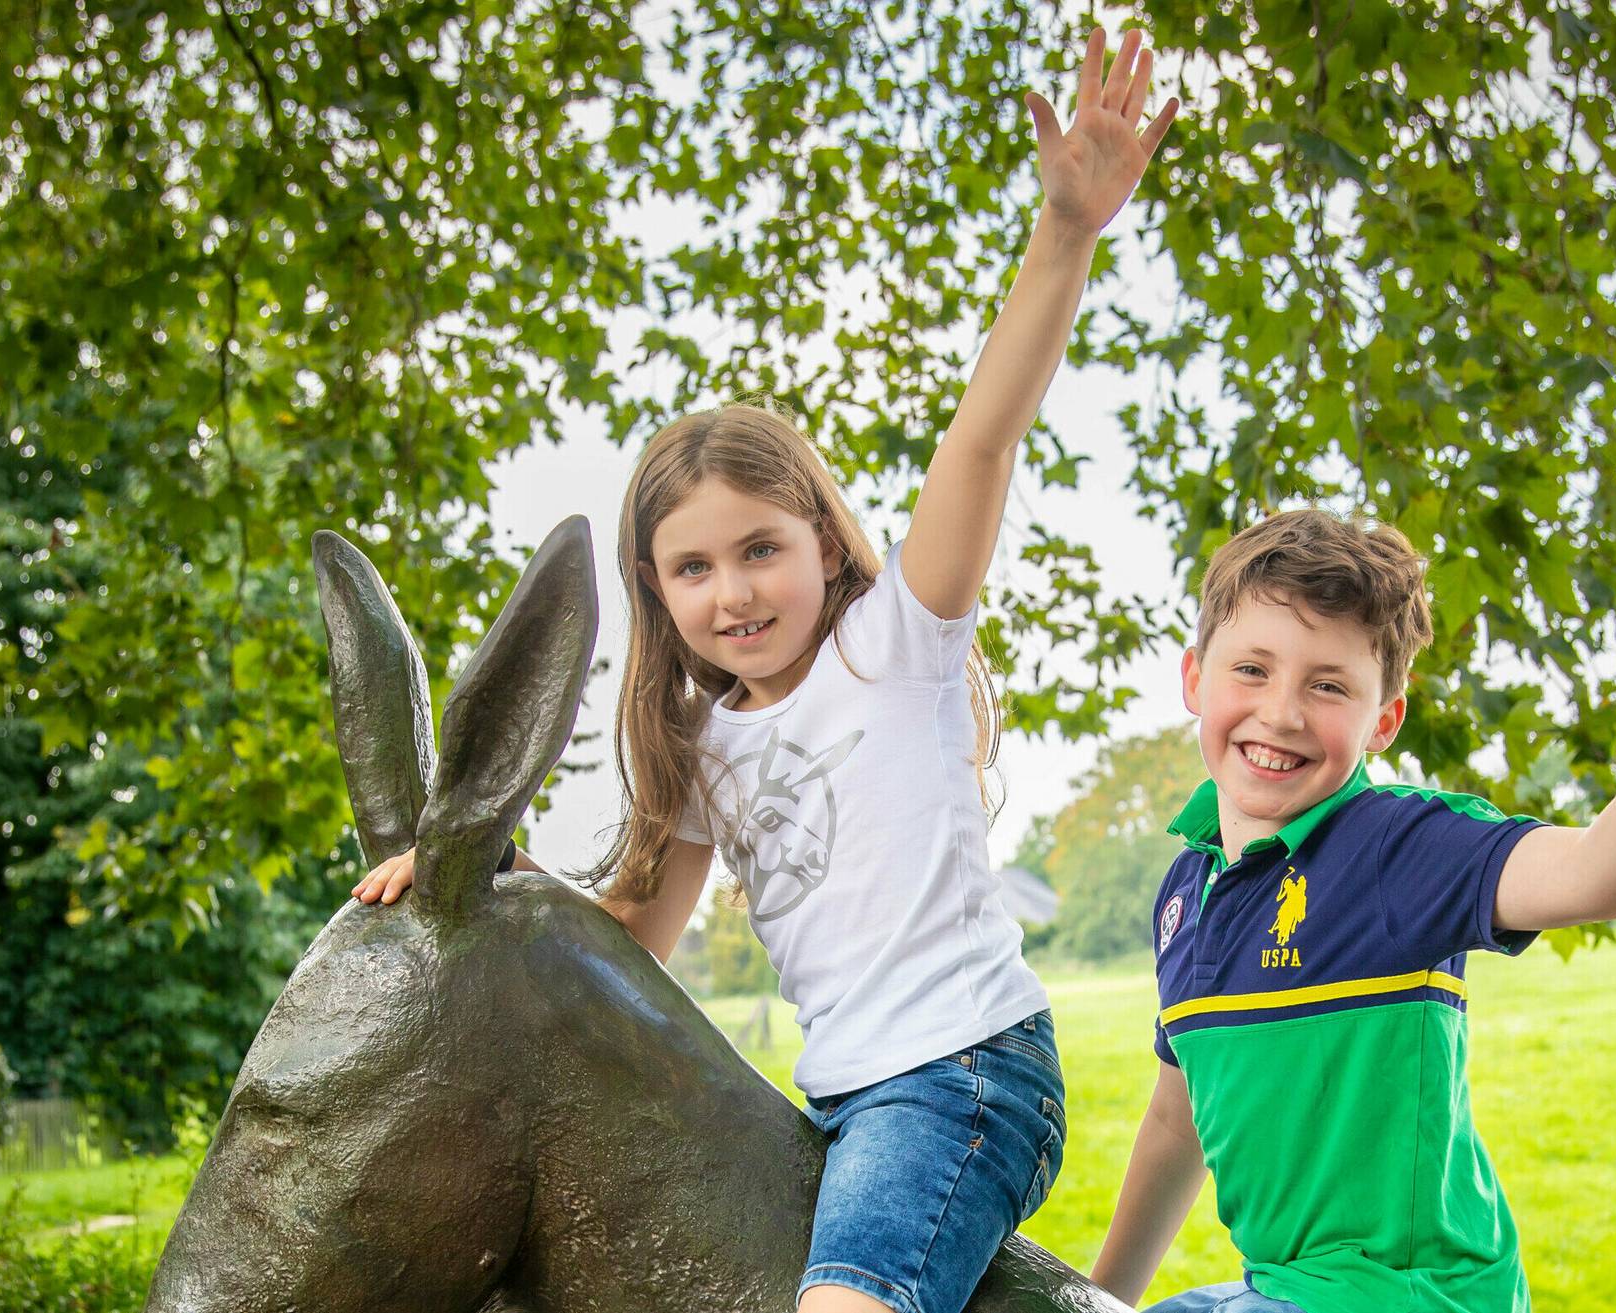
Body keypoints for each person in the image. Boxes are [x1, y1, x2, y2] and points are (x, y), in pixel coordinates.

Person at [352, 28, 1177, 1313]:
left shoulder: (894, 646)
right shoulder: (699, 747)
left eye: (759, 549)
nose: (731, 590)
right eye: (692, 568)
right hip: (836, 1098)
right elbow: (633, 942)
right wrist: (484, 878)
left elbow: (980, 440)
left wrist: (1065, 231)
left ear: (821, 539)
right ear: (657, 593)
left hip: (963, 1075)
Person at [1089, 510, 1616, 1312]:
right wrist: (1095, 1301)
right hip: (1280, 1286)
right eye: (1253, 670)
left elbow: (1592, 873)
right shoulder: (1183, 894)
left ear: (1385, 719)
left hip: (1411, 1296)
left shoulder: (1393, 846)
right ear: (1195, 678)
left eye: (1328, 684)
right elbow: (1176, 1118)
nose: (1284, 711)